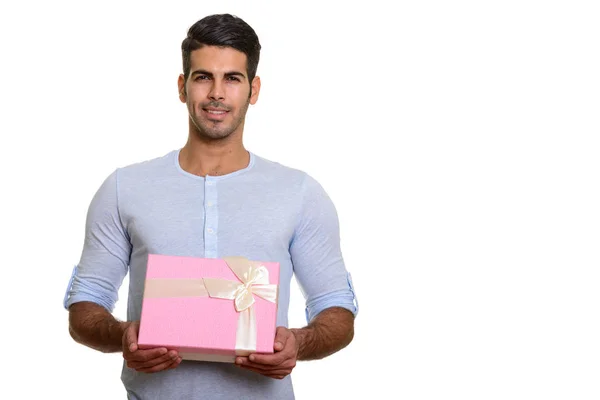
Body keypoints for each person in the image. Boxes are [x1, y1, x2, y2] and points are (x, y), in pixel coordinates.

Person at [64, 13, 358, 400]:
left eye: (232, 79)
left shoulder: (299, 192)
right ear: (183, 87)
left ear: (253, 90)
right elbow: (86, 305)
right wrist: (123, 335)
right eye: (203, 77)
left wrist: (298, 343)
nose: (217, 93)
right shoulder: (125, 187)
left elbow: (336, 309)